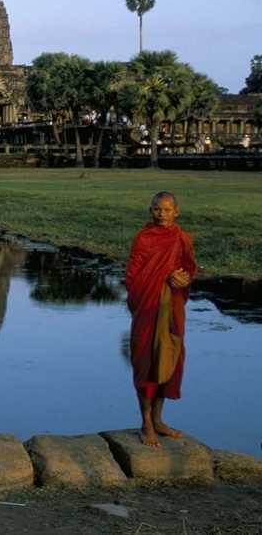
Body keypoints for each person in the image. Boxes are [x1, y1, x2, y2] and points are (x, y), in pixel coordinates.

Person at [125, 192, 196, 447]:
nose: (162, 214)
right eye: (157, 210)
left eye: (167, 210)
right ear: (150, 210)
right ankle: (145, 423)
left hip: (172, 306)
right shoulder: (143, 238)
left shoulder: (182, 238)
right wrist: (160, 279)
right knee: (146, 360)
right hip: (148, 306)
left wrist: (184, 278)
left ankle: (158, 419)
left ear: (176, 212)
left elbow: (189, 267)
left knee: (170, 358)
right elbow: (133, 276)